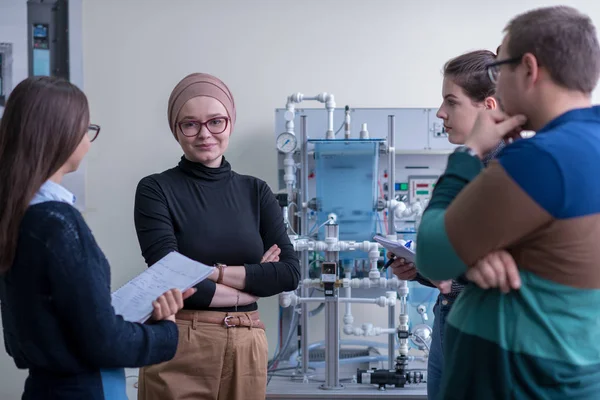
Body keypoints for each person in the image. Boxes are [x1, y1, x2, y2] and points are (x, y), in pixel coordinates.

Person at [415, 5, 600, 399]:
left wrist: (468, 154)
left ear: (529, 69)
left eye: (499, 71)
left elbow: (433, 254)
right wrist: (479, 252)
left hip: (518, 381)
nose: (495, 87)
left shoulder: (541, 159)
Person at [0, 76, 193, 400]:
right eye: (87, 129)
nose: (89, 141)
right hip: (85, 390)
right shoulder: (58, 223)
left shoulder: (16, 217)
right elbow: (105, 343)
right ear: (61, 136)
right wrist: (166, 329)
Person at [134, 72, 300, 400]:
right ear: (176, 129)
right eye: (190, 124)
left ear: (230, 123)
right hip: (181, 341)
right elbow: (169, 279)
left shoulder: (256, 191)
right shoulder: (156, 189)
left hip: (248, 342)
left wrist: (210, 272)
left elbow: (289, 273)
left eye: (216, 121)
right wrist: (252, 281)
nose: (204, 134)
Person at [388, 49, 506, 400]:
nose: (440, 113)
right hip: (449, 322)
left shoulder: (510, 177)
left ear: (488, 106)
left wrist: (450, 283)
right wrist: (419, 270)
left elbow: (521, 278)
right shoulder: (470, 170)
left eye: (451, 102)